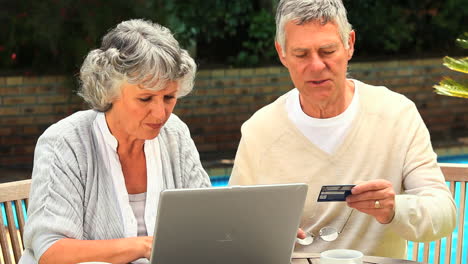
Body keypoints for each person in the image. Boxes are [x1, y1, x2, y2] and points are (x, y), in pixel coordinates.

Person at [229, 0, 456, 259]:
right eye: (301, 54)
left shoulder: (396, 114)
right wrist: (265, 234)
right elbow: (235, 224)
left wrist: (395, 209)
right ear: (282, 53)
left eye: (327, 51)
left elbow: (444, 213)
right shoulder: (261, 129)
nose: (316, 66)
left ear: (350, 43)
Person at [19, 19, 211, 264]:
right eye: (145, 99)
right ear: (110, 90)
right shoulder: (65, 142)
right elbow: (52, 251)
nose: (160, 113)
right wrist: (142, 247)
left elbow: (206, 222)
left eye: (169, 97)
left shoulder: (175, 133)